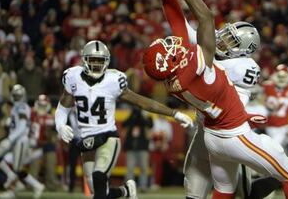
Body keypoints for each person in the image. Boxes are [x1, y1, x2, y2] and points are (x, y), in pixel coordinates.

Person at [144, 0, 288, 199]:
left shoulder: (188, 68)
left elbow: (179, 24)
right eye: (225, 35)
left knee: (224, 190)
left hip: (212, 129)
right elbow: (203, 20)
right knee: (207, 187)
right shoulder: (204, 61)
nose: (221, 37)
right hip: (229, 131)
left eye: (230, 38)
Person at [152, 0, 272, 198]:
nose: (223, 40)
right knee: (193, 191)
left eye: (233, 42)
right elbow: (180, 24)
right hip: (202, 129)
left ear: (244, 51)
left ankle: (277, 179)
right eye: (227, 34)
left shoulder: (244, 66)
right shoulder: (211, 47)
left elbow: (212, 72)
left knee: (243, 194)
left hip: (229, 131)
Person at [55, 40, 193, 199]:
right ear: (84, 60)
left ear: (107, 62)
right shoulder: (72, 77)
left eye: (100, 61)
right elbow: (63, 107)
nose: (96, 65)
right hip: (86, 140)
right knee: (96, 191)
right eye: (92, 60)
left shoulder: (114, 80)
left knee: (99, 177)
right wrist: (60, 125)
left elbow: (143, 102)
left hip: (108, 137)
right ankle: (125, 191)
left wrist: (174, 113)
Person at [0, 84, 45, 199]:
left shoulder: (22, 107)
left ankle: (12, 192)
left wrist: (9, 139)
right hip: (15, 140)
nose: (17, 98)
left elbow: (22, 126)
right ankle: (36, 185)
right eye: (15, 96)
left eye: (19, 96)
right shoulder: (16, 107)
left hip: (20, 141)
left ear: (23, 96)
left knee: (16, 169)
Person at [122, 107, 153, 192]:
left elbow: (150, 124)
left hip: (142, 147)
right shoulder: (132, 118)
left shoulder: (146, 118)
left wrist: (142, 116)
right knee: (130, 168)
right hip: (131, 147)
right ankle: (129, 187)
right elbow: (124, 124)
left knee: (143, 168)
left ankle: (143, 186)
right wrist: (133, 115)